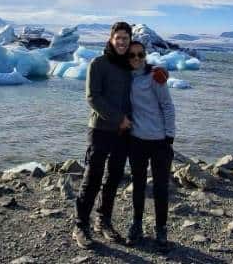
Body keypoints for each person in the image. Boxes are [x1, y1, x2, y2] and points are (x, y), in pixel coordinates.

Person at [72, 22, 168, 248]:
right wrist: (119, 119)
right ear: (111, 38)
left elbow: (145, 67)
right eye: (119, 38)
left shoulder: (128, 64)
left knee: (113, 178)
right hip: (100, 130)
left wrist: (162, 71)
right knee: (92, 177)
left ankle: (103, 220)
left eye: (126, 38)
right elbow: (92, 98)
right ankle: (80, 224)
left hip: (124, 134)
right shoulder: (98, 64)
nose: (123, 42)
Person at [124, 40, 176, 253]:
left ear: (145, 56)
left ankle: (161, 228)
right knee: (138, 185)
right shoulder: (124, 77)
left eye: (140, 54)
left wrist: (169, 137)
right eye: (132, 55)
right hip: (136, 140)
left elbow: (168, 106)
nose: (136, 58)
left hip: (159, 141)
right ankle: (137, 225)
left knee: (161, 187)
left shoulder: (155, 77)